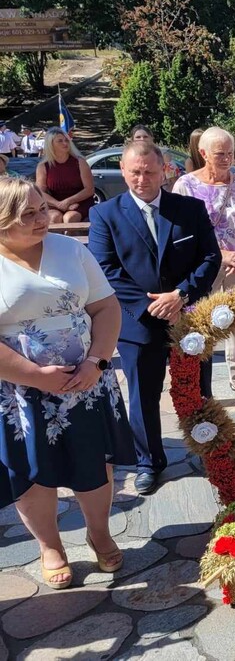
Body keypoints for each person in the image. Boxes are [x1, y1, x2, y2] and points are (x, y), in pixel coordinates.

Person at [0, 178, 136, 588]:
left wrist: (96, 361)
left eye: (43, 208)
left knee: (93, 463)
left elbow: (106, 307)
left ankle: (99, 533)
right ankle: (50, 546)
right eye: (29, 214)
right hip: (18, 392)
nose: (43, 218)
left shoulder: (71, 250)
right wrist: (34, 375)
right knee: (31, 471)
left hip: (87, 383)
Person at [88, 141, 222, 494]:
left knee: (197, 390)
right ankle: (149, 461)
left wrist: (181, 294)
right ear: (122, 169)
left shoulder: (190, 209)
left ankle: (209, 448)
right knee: (143, 395)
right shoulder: (106, 215)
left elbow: (210, 256)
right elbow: (106, 269)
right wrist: (151, 306)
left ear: (164, 170)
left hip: (188, 319)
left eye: (149, 171)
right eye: (135, 171)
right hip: (138, 324)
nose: (142, 179)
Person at [172, 127, 235, 399]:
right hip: (204, 267)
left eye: (230, 153)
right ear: (203, 154)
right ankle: (202, 387)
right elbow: (182, 234)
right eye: (219, 154)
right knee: (203, 323)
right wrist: (223, 255)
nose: (226, 158)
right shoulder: (186, 186)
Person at [35, 127, 94, 224]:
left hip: (80, 202)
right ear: (51, 144)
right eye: (60, 141)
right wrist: (58, 204)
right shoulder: (43, 166)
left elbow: (89, 189)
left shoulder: (80, 162)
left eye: (66, 140)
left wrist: (68, 202)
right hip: (54, 203)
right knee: (54, 218)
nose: (65, 143)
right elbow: (40, 192)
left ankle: (71, 239)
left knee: (70, 218)